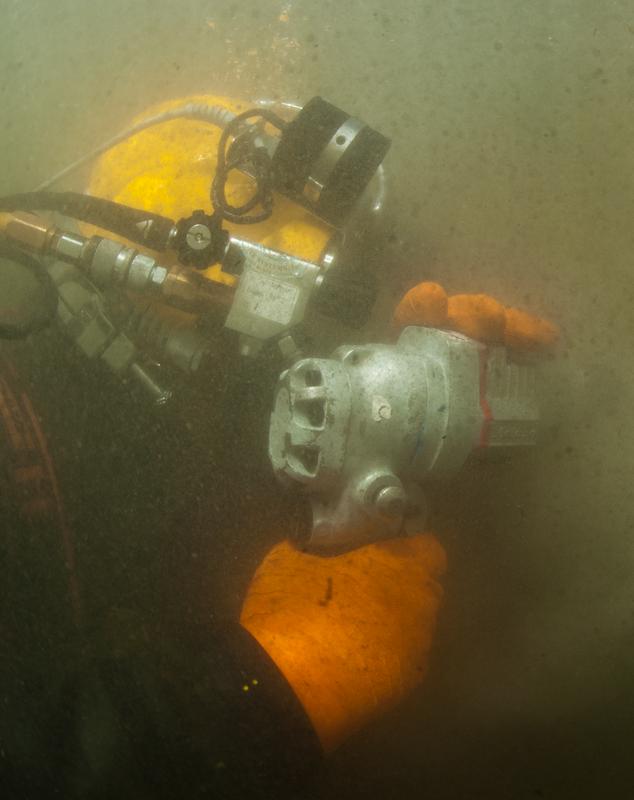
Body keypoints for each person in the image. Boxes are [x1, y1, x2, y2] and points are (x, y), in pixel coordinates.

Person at [0, 95, 557, 799]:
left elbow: (194, 528)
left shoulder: (123, 460)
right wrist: (262, 694)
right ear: (125, 293)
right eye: (236, 343)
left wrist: (440, 427)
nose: (291, 383)